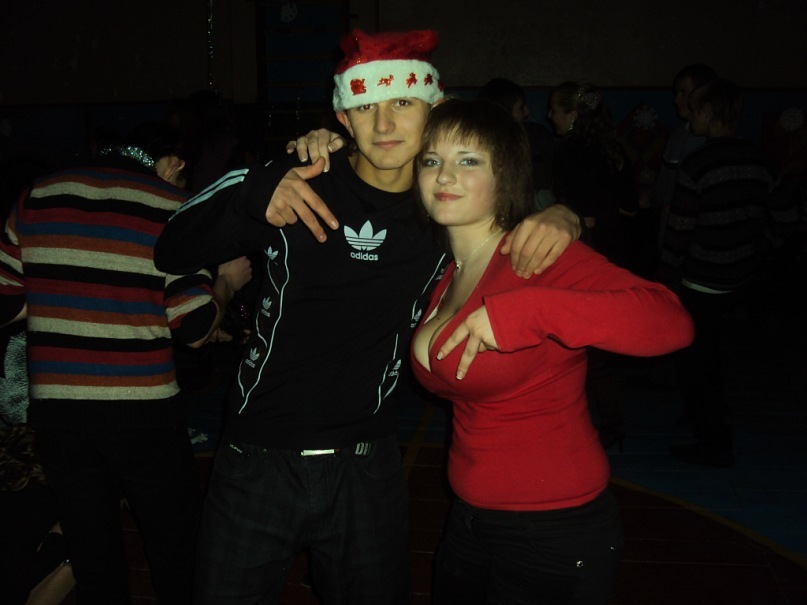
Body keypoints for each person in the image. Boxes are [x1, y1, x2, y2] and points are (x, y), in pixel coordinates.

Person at [154, 29, 581, 604]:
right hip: (255, 459)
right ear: (343, 118)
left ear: (432, 108)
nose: (383, 125)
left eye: (402, 102)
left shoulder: (445, 206)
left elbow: (513, 222)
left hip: (366, 464)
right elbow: (172, 248)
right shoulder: (299, 179)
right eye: (365, 107)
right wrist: (254, 192)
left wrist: (563, 215)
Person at [410, 97, 694, 604]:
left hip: (553, 528)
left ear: (506, 177)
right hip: (470, 520)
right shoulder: (446, 270)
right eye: (432, 160)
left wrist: (530, 311)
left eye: (468, 160)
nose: (444, 175)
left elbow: (670, 322)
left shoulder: (537, 257)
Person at [0, 122, 253, 603]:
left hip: (59, 414)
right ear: (172, 164)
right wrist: (226, 283)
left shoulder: (37, 195)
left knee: (93, 556)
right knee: (175, 549)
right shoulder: (172, 205)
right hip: (143, 413)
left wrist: (70, 289)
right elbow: (196, 329)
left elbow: (7, 305)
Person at [661, 79, 778, 468]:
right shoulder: (760, 159)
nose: (689, 116)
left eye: (694, 110)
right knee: (711, 357)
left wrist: (666, 276)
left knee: (698, 361)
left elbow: (679, 230)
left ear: (709, 113)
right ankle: (703, 416)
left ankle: (714, 442)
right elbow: (782, 215)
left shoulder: (698, 164)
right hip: (740, 275)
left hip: (701, 278)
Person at [547, 81, 643, 449]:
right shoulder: (615, 149)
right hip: (618, 255)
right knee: (599, 343)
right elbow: (631, 208)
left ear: (573, 115)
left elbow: (577, 217)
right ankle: (611, 423)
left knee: (576, 346)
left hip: (583, 259)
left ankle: (583, 424)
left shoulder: (570, 152)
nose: (550, 116)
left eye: (556, 110)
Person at [651, 64, 717, 246]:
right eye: (676, 93)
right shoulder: (678, 135)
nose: (676, 99)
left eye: (684, 92)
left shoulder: (711, 142)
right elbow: (666, 178)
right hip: (669, 233)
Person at [478, 77, 555, 208]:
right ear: (504, 111)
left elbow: (544, 184)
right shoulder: (477, 141)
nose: (527, 112)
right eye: (521, 107)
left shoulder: (536, 135)